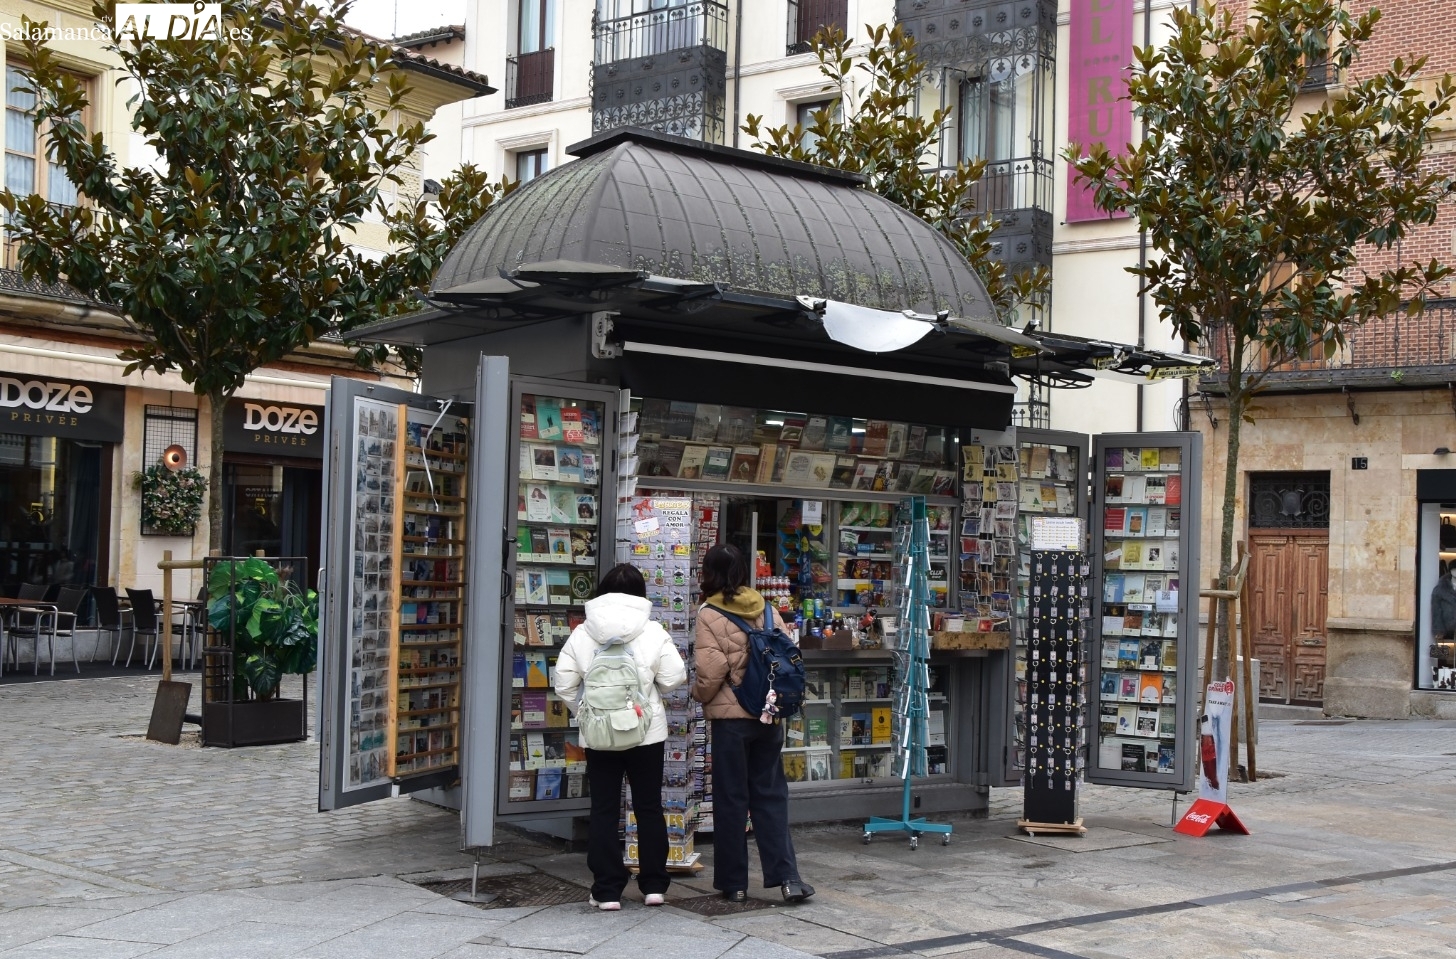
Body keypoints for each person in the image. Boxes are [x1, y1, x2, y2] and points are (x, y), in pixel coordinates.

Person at [554, 563, 687, 911]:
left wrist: (588, 711)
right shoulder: (653, 631)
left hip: (599, 736)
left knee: (604, 809)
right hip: (646, 733)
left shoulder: (583, 632)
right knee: (647, 807)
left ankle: (608, 890)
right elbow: (675, 676)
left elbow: (564, 682)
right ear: (640, 595)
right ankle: (654, 886)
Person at [692, 543, 815, 904]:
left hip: (731, 721)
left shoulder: (708, 613)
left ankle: (735, 884)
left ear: (709, 573)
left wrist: (700, 696)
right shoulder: (766, 607)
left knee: (731, 799)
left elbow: (710, 672)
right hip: (768, 714)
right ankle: (788, 878)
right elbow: (787, 653)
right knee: (771, 796)